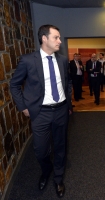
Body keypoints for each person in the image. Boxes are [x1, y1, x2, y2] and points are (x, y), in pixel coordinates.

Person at [10, 24, 72, 198]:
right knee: (40, 149)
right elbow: (14, 85)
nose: (60, 41)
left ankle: (58, 178)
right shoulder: (28, 60)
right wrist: (23, 107)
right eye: (56, 37)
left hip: (61, 110)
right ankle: (46, 171)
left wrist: (68, 104)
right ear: (44, 39)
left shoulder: (63, 60)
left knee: (60, 146)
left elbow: (67, 83)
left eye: (59, 38)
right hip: (40, 113)